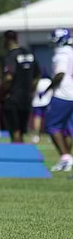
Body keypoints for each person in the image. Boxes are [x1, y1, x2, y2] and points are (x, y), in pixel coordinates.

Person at [0, 31, 40, 143]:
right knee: (21, 131)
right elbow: (37, 76)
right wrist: (31, 90)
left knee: (15, 131)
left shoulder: (10, 56)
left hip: (12, 98)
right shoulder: (29, 54)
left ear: (7, 40)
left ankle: (17, 152)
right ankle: (21, 150)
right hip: (26, 98)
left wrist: (0, 94)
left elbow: (8, 78)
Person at [44, 29, 73, 172]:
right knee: (68, 128)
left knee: (52, 125)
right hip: (71, 92)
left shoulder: (62, 54)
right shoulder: (71, 51)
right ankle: (67, 158)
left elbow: (60, 73)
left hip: (63, 93)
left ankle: (66, 158)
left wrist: (49, 88)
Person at [31, 73, 53, 144]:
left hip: (37, 103)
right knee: (49, 119)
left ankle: (36, 135)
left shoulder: (38, 81)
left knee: (37, 119)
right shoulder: (49, 81)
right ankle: (50, 135)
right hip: (47, 102)